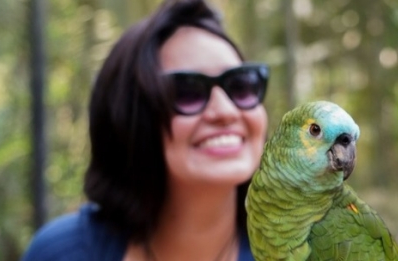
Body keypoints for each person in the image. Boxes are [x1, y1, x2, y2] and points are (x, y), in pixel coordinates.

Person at [21, 0, 269, 260]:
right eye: (187, 92)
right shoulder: (61, 252)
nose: (226, 111)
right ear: (130, 119)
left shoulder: (298, 250)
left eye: (241, 85)